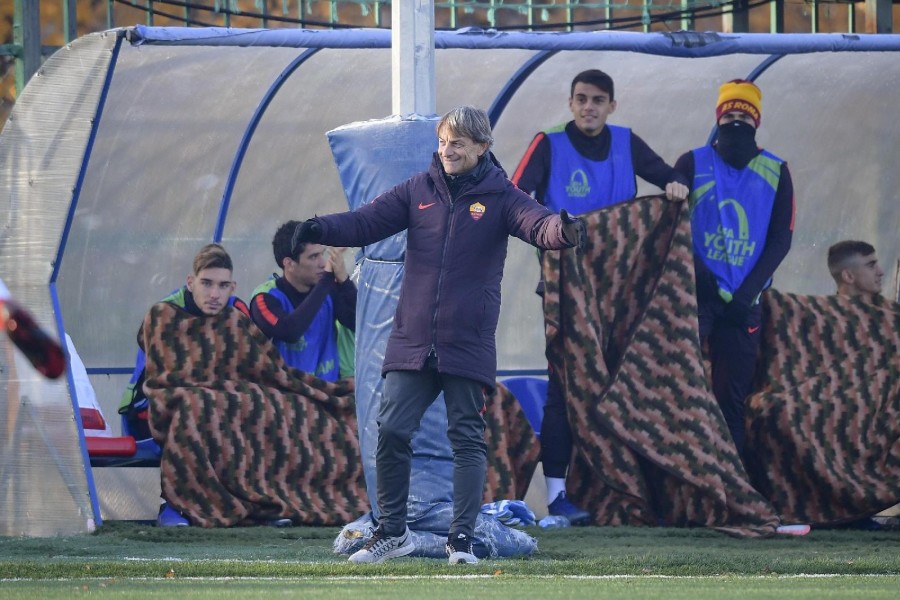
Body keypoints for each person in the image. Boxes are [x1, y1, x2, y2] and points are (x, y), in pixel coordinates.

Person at [290, 106, 584, 565]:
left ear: (482, 147)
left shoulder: (502, 196)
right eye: (443, 142)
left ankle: (460, 541)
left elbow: (537, 223)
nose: (447, 150)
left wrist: (562, 230)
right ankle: (392, 533)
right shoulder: (417, 189)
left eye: (458, 143)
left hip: (466, 340)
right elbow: (366, 221)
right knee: (391, 430)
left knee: (465, 438)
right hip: (412, 339)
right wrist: (319, 227)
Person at [511, 68, 690, 525]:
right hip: (566, 292)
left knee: (621, 387)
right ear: (570, 103)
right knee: (564, 388)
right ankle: (557, 496)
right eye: (581, 99)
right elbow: (514, 196)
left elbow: (671, 178)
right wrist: (552, 231)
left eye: (597, 100)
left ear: (612, 105)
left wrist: (675, 185)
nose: (589, 107)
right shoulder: (549, 143)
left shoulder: (627, 143)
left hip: (619, 292)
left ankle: (626, 490)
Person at [674, 79, 794, 458]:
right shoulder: (692, 162)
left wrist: (748, 293)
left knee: (731, 399)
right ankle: (680, 475)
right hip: (696, 296)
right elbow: (673, 225)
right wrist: (700, 275)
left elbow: (781, 238)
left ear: (757, 121)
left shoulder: (777, 170)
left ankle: (732, 482)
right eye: (729, 116)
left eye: (744, 115)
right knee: (679, 388)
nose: (736, 122)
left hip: (745, 302)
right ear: (718, 119)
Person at [250, 221, 356, 381]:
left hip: (328, 390)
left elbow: (356, 323)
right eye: (313, 257)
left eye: (322, 254)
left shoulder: (328, 288)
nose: (323, 263)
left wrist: (344, 281)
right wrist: (327, 279)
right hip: (286, 391)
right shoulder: (264, 298)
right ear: (289, 264)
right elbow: (289, 331)